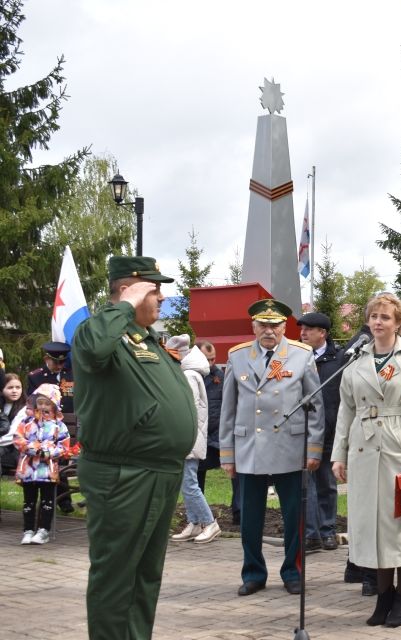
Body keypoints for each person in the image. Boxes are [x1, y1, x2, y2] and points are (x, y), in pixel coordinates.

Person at [73, 255, 197, 640]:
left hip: (159, 470)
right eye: (153, 290)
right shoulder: (97, 332)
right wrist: (124, 304)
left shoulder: (147, 339)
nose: (161, 298)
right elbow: (94, 351)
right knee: (116, 574)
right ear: (130, 289)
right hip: (124, 473)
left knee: (145, 574)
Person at [331, 292, 401, 628]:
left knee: (400, 527)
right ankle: (383, 595)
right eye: (374, 317)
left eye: (386, 318)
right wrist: (339, 453)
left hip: (400, 447)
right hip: (364, 450)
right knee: (370, 528)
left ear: (399, 324)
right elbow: (346, 409)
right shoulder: (356, 360)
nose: (378, 322)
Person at [219, 299, 323, 597]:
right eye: (263, 325)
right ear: (253, 327)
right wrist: (228, 454)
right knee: (250, 517)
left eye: (275, 325)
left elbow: (315, 406)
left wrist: (313, 449)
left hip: (289, 446)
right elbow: (228, 408)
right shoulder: (238, 356)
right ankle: (253, 573)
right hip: (249, 446)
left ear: (284, 327)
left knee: (294, 516)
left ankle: (293, 571)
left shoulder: (301, 355)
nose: (269, 330)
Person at [297, 311, 346, 552]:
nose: (303, 333)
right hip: (302, 432)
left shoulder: (338, 360)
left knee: (326, 483)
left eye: (308, 329)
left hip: (329, 431)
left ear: (323, 333)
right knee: (306, 484)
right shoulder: (296, 358)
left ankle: (327, 531)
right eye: (302, 329)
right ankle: (310, 534)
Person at [166, 335, 220, 545]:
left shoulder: (188, 376)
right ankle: (194, 522)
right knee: (187, 481)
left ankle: (209, 522)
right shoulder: (191, 373)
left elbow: (184, 410)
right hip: (190, 436)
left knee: (189, 483)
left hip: (187, 437)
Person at [13, 383, 70, 545]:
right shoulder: (27, 422)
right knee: (28, 501)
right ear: (35, 402)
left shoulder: (59, 425)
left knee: (47, 501)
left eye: (47, 403)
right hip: (29, 469)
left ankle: (43, 530)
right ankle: (28, 530)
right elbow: (18, 439)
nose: (43, 406)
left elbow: (63, 447)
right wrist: (32, 448)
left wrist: (48, 452)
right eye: (40, 402)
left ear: (54, 404)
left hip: (48, 469)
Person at [28, 340, 75, 513]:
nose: (59, 365)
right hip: (44, 426)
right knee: (50, 459)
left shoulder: (72, 374)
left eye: (63, 361)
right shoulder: (36, 377)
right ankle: (58, 500)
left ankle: (64, 501)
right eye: (56, 361)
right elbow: (32, 403)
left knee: (60, 459)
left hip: (67, 426)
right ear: (46, 358)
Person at [196, 341, 240, 525]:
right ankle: (199, 517)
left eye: (213, 358)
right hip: (199, 437)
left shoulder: (220, 377)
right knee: (195, 477)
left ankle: (239, 513)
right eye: (207, 359)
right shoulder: (188, 375)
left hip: (219, 438)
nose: (212, 363)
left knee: (236, 473)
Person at [1, 373, 26, 472]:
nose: (15, 391)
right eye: (10, 387)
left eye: (18, 387)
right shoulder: (2, 405)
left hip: (16, 450)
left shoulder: (24, 410)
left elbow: (13, 435)